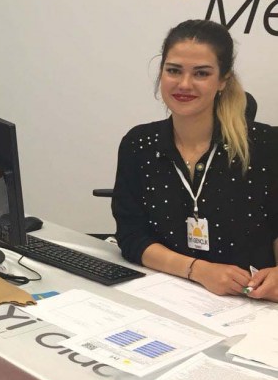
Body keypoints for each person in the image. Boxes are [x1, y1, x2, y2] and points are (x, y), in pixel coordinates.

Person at [113, 19, 278, 300]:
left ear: (223, 80)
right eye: (174, 70)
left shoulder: (267, 145)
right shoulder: (139, 144)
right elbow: (131, 237)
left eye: (201, 73)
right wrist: (198, 270)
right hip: (168, 295)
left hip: (252, 304)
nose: (184, 84)